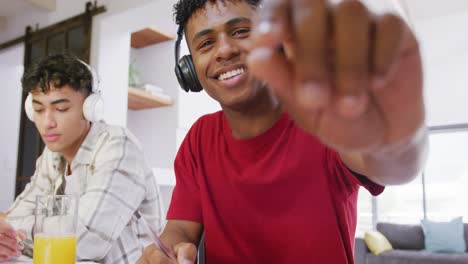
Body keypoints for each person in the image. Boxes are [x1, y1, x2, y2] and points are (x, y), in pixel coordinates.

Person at [138, 0, 427, 263]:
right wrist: (167, 251)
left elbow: (392, 163)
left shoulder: (321, 117)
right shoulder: (199, 138)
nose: (224, 50)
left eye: (240, 31)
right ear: (189, 69)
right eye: (206, 43)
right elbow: (179, 228)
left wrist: (400, 135)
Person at [0, 54, 164, 263]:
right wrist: (8, 234)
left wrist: (15, 231)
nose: (47, 122)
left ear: (90, 108)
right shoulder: (52, 156)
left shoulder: (118, 145)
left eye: (61, 109)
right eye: (39, 109)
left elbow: (87, 239)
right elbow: (15, 214)